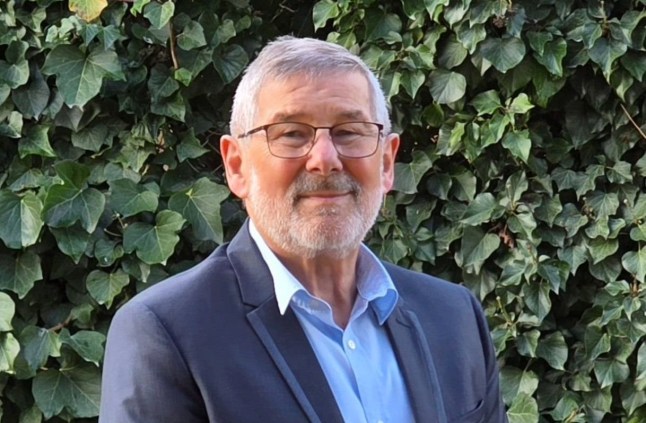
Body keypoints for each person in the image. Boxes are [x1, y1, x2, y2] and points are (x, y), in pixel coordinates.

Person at [99, 36, 508, 423]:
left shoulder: (454, 318)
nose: (325, 159)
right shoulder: (167, 333)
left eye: (349, 132)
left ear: (387, 162)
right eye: (291, 134)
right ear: (236, 166)